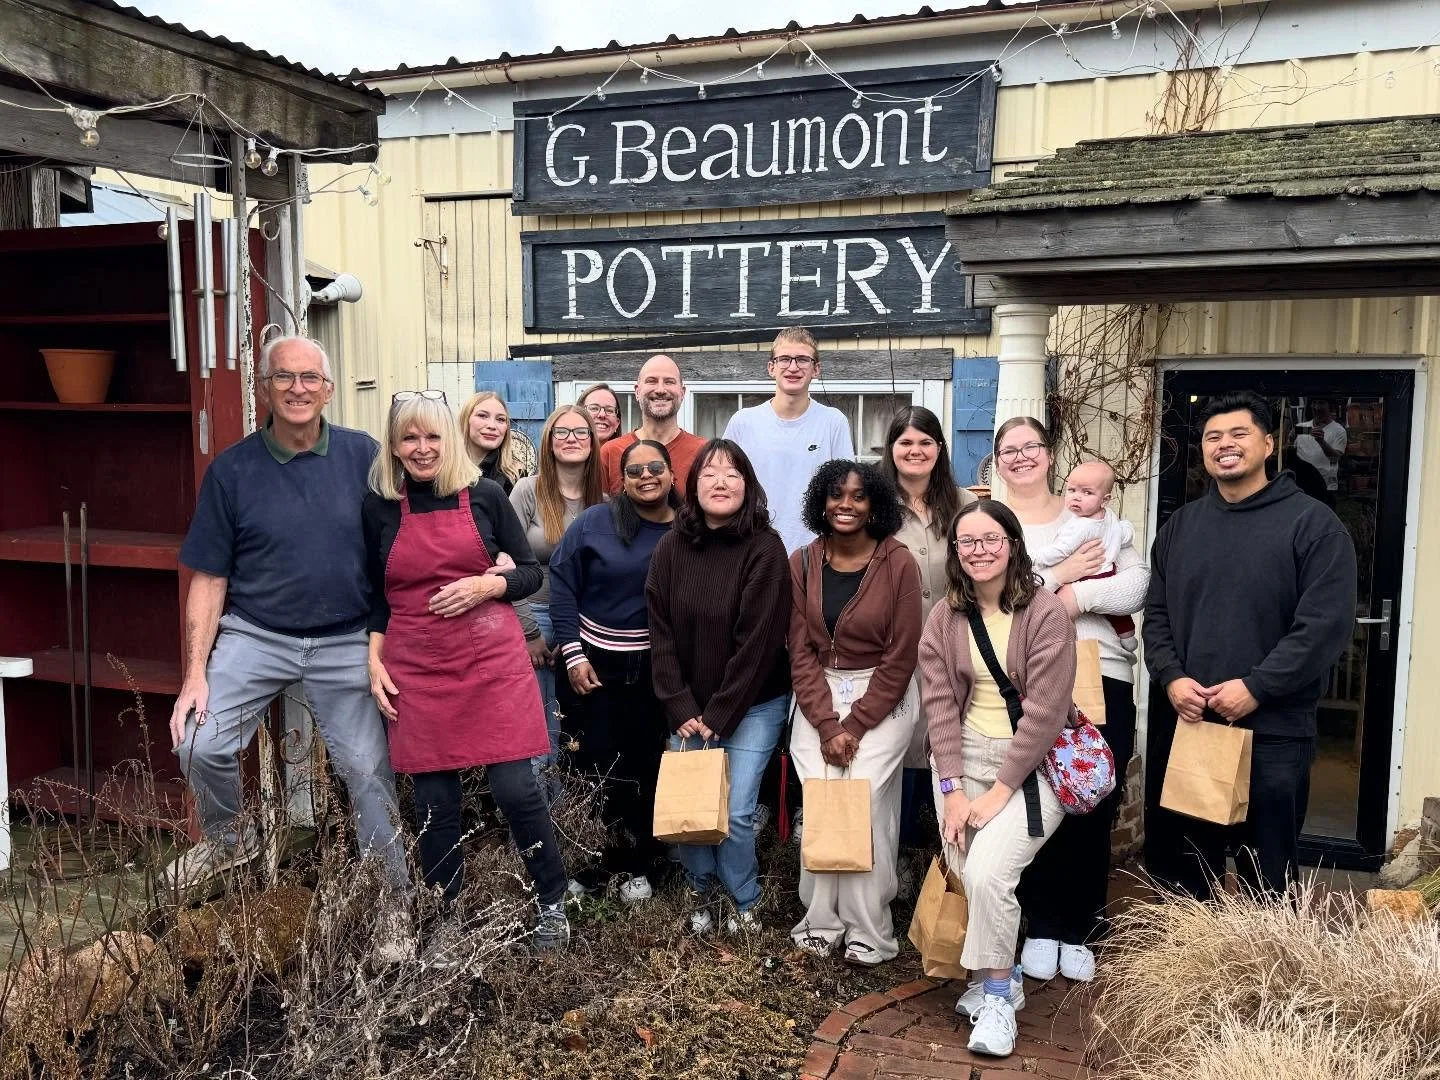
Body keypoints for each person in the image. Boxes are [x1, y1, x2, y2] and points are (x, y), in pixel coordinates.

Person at [167, 335, 411, 966]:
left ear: (328, 389)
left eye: (310, 378)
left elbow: (407, 542)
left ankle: (392, 910)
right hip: (256, 635)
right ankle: (229, 839)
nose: (298, 388)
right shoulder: (233, 471)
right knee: (197, 739)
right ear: (264, 388)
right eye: (284, 378)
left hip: (345, 640)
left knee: (368, 775)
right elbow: (208, 579)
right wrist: (195, 673)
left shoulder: (364, 456)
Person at [363, 390, 569, 955]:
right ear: (394, 444)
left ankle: (553, 901)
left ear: (448, 438)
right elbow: (375, 597)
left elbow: (530, 575)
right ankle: (446, 916)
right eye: (410, 437)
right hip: (416, 665)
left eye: (433, 436)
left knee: (516, 787)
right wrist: (373, 659)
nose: (423, 448)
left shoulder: (484, 495)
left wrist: (486, 585)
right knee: (434, 799)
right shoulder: (380, 505)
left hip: (489, 658)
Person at [1143, 391, 1356, 900]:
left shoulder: (1313, 525)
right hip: (1196, 725)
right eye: (1213, 437)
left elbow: (1322, 626)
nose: (1224, 445)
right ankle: (1195, 976)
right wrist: (1171, 677)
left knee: (1269, 876)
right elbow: (1156, 616)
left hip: (1275, 732)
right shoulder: (1181, 528)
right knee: (1190, 876)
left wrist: (1258, 687)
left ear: (1268, 442)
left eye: (1238, 434)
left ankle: (1267, 975)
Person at [920, 500, 1077, 1059]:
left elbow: (1045, 713)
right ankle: (1004, 977)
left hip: (1028, 767)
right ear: (955, 553)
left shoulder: (1044, 613)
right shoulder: (944, 616)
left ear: (1012, 543)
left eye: (991, 538)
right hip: (962, 757)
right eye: (967, 542)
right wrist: (953, 789)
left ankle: (994, 1000)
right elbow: (939, 706)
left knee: (989, 872)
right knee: (965, 866)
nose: (979, 550)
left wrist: (998, 792)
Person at [997, 416, 1148, 985]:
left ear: (1051, 455)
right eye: (1009, 449)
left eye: (1031, 446)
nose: (1021, 457)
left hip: (1100, 672)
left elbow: (1135, 586)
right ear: (996, 459)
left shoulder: (1094, 515)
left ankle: (1081, 926)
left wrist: (1073, 594)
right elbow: (996, 594)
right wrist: (1058, 578)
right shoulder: (997, 521)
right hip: (1028, 677)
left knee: (1093, 795)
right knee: (1035, 801)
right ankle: (1041, 923)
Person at [646, 439, 791, 935]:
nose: (721, 482)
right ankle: (701, 893)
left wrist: (719, 714)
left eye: (732, 473)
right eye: (709, 473)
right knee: (691, 803)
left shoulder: (765, 548)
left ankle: (744, 897)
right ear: (693, 486)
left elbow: (760, 642)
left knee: (736, 809)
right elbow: (659, 628)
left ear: (747, 486)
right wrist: (679, 703)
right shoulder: (671, 547)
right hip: (687, 705)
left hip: (753, 703)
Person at [788, 460, 921, 966]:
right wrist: (826, 723)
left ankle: (871, 928)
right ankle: (821, 922)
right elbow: (798, 649)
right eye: (837, 494)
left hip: (883, 694)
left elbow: (902, 654)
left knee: (864, 804)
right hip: (817, 692)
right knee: (822, 800)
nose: (846, 504)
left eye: (859, 496)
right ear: (821, 501)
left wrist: (856, 724)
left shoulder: (898, 563)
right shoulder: (802, 561)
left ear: (875, 506)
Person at [550, 439, 680, 902]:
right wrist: (573, 653)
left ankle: (641, 864)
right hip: (593, 666)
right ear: (619, 480)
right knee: (592, 766)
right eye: (635, 470)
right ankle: (593, 864)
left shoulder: (686, 530)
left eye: (656, 467)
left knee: (645, 767)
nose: (646, 476)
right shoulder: (595, 522)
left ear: (671, 475)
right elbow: (562, 581)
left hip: (651, 669)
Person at [881, 407, 977, 876]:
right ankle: (892, 854)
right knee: (896, 744)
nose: (915, 451)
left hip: (951, 646)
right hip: (889, 648)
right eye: (905, 442)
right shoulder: (875, 504)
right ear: (892, 449)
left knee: (942, 741)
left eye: (925, 442)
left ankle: (938, 857)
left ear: (939, 449)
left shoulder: (961, 504)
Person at [509, 406, 607, 800]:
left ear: (593, 441)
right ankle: (537, 835)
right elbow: (505, 569)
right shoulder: (527, 492)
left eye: (580, 432)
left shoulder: (607, 499)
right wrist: (528, 632)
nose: (571, 438)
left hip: (589, 624)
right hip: (535, 618)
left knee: (580, 727)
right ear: (548, 441)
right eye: (561, 432)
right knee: (541, 729)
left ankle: (577, 819)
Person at [723, 328, 853, 553]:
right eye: (784, 359)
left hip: (815, 554)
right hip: (751, 550)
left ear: (816, 369)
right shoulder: (743, 422)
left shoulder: (833, 422)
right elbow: (724, 486)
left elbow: (844, 491)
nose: (793, 367)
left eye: (803, 359)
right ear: (771, 367)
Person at [1030, 461, 1138, 652]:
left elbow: (1060, 550)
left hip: (1086, 577)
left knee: (1052, 604)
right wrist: (1128, 529)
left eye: (1087, 493)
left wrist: (1034, 559)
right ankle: (1128, 637)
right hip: (1107, 572)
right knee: (1117, 614)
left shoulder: (1080, 525)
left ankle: (1061, 639)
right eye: (1071, 490)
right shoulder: (1109, 517)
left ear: (1105, 500)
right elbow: (1125, 534)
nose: (1076, 498)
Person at [598, 355, 707, 496]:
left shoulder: (704, 453)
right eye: (651, 381)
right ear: (637, 392)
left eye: (669, 382)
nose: (660, 389)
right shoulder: (609, 453)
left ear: (682, 392)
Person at [460, 390, 529, 494]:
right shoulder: (443, 470)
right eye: (482, 416)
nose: (492, 426)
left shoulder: (515, 475)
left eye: (500, 419)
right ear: (466, 420)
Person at [1294, 397, 1347, 497]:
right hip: (1301, 485)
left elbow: (1336, 457)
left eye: (1321, 403)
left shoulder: (1338, 430)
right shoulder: (1302, 427)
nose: (1317, 407)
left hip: (1325, 485)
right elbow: (1291, 443)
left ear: (1329, 406)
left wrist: (1322, 442)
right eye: (1314, 402)